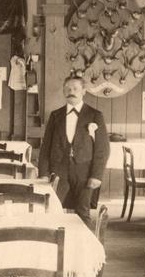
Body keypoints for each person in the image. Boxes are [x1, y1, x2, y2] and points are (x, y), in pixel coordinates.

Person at [38, 74, 110, 224]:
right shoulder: (55, 116)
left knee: (83, 212)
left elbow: (102, 149)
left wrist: (96, 175)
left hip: (84, 172)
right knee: (54, 210)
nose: (71, 91)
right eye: (68, 89)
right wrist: (44, 173)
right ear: (63, 91)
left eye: (75, 88)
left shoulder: (95, 115)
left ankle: (85, 240)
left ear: (84, 91)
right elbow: (45, 147)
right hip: (59, 171)